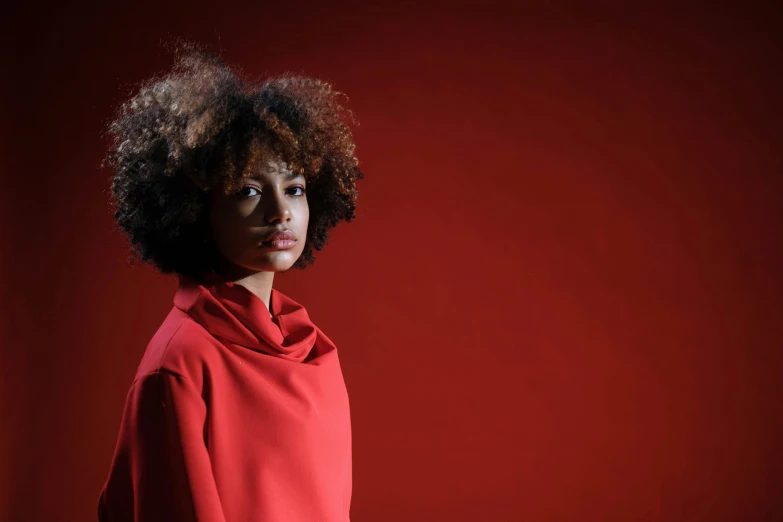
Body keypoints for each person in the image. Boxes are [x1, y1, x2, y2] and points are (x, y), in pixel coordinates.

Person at [96, 40, 364, 522]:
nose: (281, 211)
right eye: (248, 190)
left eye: (295, 188)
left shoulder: (315, 351)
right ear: (197, 208)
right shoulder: (181, 363)